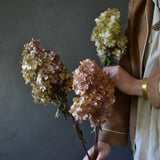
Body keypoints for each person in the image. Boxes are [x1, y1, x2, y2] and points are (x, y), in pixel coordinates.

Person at [83, 0, 160, 159]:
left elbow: (130, 82)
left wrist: (138, 86)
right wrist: (105, 139)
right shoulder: (142, 4)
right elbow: (129, 69)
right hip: (145, 139)